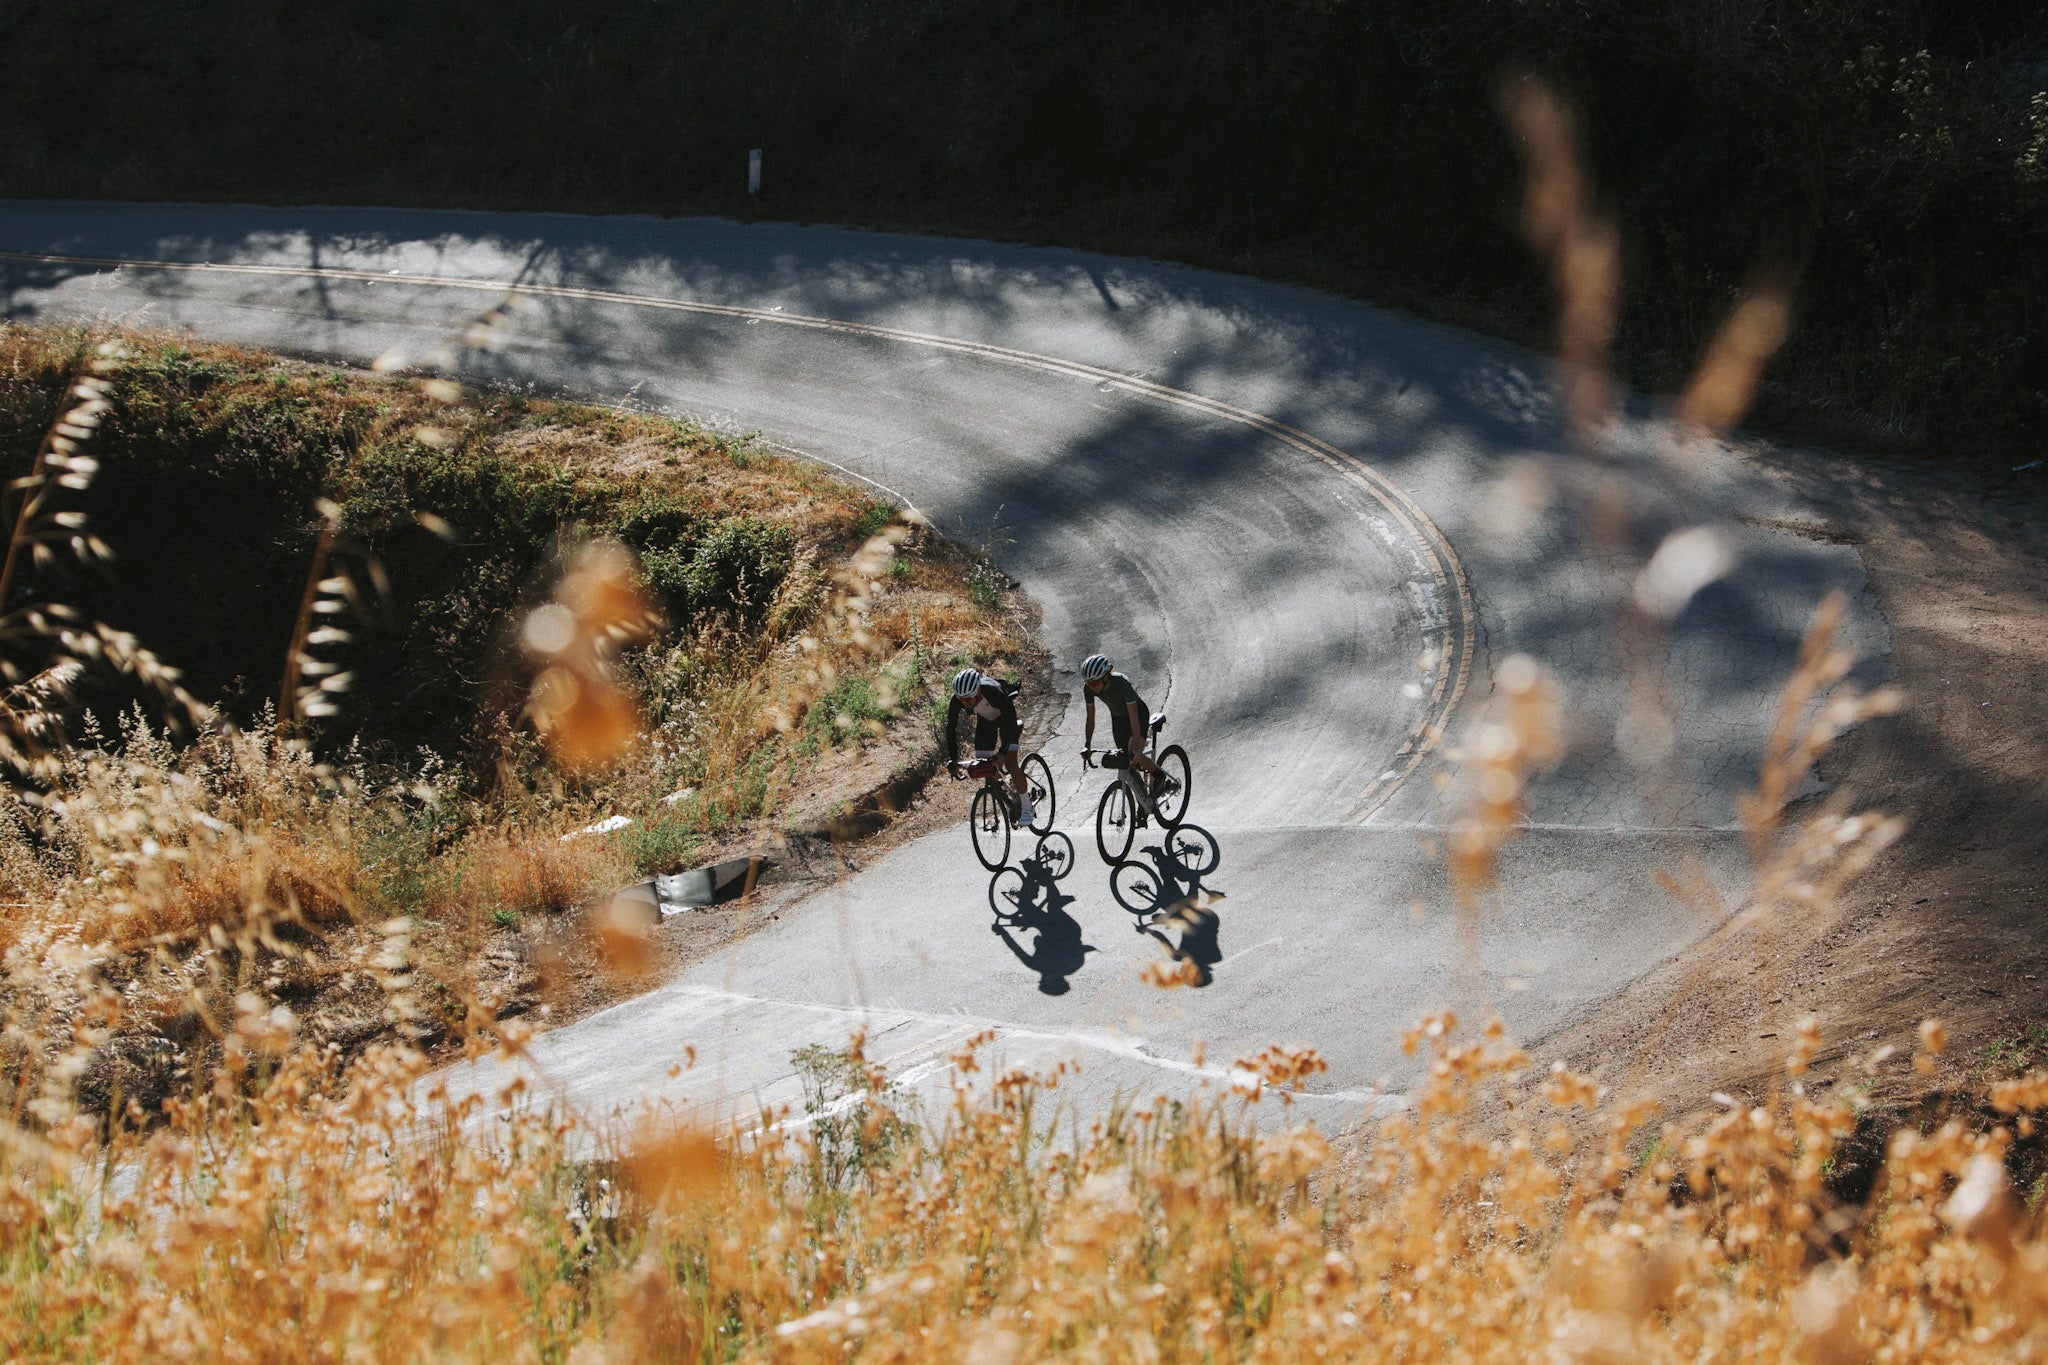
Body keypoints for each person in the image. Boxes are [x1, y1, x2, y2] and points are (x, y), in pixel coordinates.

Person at [947, 667, 1033, 825]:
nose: (964, 703)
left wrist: (1002, 752)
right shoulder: (958, 699)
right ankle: (1008, 801)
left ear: (978, 691)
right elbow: (951, 728)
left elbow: (1010, 717)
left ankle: (1027, 806)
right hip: (987, 722)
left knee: (1010, 762)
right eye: (961, 700)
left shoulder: (993, 692)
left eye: (968, 699)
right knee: (986, 766)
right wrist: (952, 759)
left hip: (1006, 720)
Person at [1080, 653, 1167, 793]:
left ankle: (1159, 775)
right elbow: (1090, 718)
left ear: (1106, 677)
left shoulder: (1121, 683)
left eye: (1094, 683)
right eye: (1088, 683)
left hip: (1137, 714)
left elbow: (1133, 717)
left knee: (1134, 754)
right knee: (1125, 761)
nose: (1091, 687)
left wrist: (1138, 748)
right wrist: (1087, 745)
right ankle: (1143, 797)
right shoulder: (1088, 689)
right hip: (1118, 718)